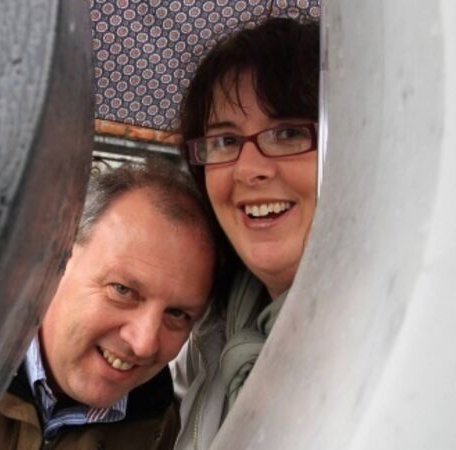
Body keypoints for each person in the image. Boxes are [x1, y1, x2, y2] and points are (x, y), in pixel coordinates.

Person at [0, 159, 219, 450]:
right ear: (56, 261)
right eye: (122, 290)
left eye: (177, 314)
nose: (144, 344)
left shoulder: (160, 426)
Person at [170, 17, 320, 449]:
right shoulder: (206, 338)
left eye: (288, 133)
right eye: (224, 141)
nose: (248, 169)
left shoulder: (410, 339)